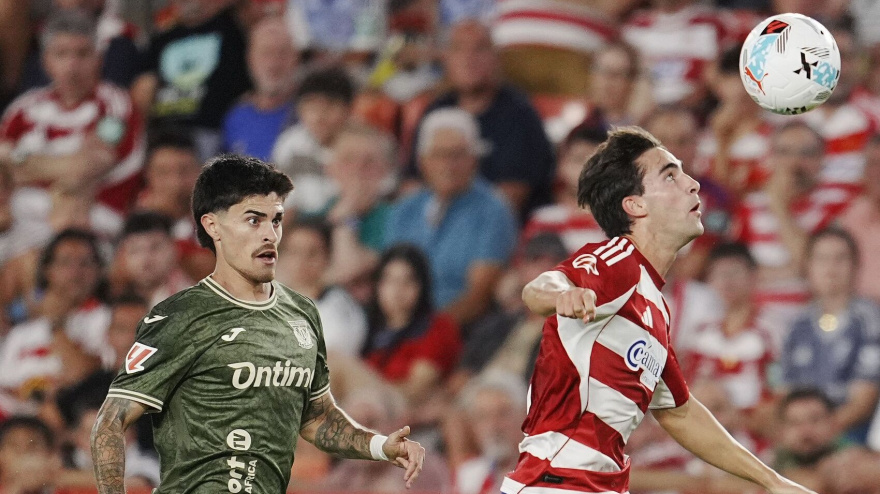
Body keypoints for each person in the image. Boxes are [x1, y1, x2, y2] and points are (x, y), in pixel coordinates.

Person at [91, 154, 425, 493]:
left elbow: (318, 419)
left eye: (276, 221)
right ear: (213, 226)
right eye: (254, 221)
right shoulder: (180, 318)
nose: (269, 234)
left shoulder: (301, 313)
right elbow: (110, 421)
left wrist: (379, 446)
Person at [510, 126, 816, 494]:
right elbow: (538, 287)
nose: (693, 184)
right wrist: (563, 295)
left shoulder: (654, 304)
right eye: (670, 176)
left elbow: (680, 412)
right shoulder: (618, 259)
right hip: (557, 484)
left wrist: (772, 481)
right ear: (635, 205)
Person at [0, 9, 144, 237]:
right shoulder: (22, 108)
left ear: (99, 58)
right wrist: (60, 165)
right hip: (19, 214)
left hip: (91, 218)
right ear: (46, 61)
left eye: (82, 54)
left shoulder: (115, 104)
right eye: (61, 54)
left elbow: (85, 168)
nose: (72, 65)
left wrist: (19, 162)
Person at [405, 19, 556, 216]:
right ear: (446, 58)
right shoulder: (435, 110)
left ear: (496, 58)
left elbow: (511, 197)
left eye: (479, 49)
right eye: (458, 49)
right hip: (434, 225)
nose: (469, 58)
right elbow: (410, 184)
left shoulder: (520, 114)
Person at [387, 108, 517, 328]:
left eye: (457, 155)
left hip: (457, 330)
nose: (448, 165)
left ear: (474, 159)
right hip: (396, 324)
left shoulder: (493, 210)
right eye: (439, 155)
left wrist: (429, 334)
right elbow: (386, 277)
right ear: (423, 161)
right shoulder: (406, 208)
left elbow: (478, 297)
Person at [779, 227, 880, 442]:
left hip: (855, 434)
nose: (831, 268)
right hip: (802, 435)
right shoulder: (798, 324)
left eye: (840, 259)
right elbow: (786, 393)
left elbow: (864, 401)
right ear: (808, 267)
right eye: (822, 259)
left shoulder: (871, 319)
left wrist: (819, 433)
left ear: (856, 266)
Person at [361, 244, 462, 406]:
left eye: (408, 281)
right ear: (377, 286)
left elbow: (417, 389)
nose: (398, 290)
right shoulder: (367, 328)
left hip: (402, 408)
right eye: (390, 280)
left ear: (422, 286)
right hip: (359, 407)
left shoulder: (437, 327)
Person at [222, 16, 298, 161]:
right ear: (250, 59)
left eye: (282, 53)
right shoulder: (235, 116)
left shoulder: (309, 111)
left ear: (296, 58)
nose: (274, 63)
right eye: (266, 53)